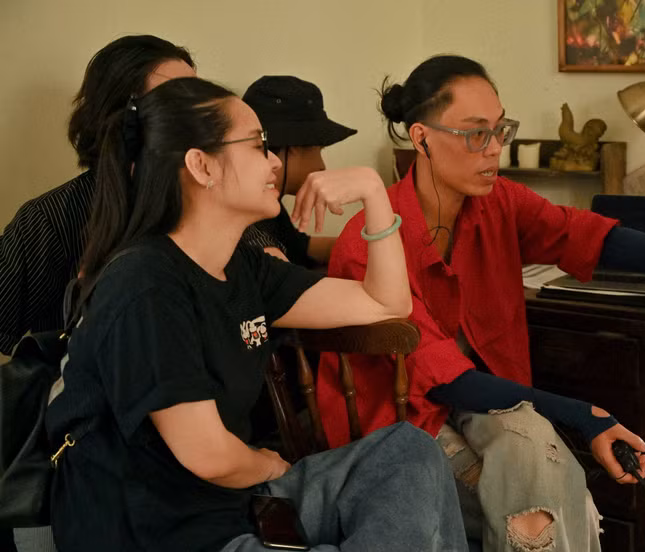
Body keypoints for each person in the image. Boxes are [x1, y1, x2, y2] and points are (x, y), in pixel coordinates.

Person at [45, 76, 467, 552]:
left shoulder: (243, 267)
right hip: (166, 531)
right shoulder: (145, 283)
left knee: (410, 450)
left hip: (238, 502)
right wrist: (268, 464)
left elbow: (388, 304)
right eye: (257, 144)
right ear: (202, 165)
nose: (274, 161)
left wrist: (374, 194)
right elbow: (208, 455)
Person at [318, 55, 645, 552]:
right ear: (421, 138)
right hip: (401, 428)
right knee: (553, 500)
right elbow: (445, 379)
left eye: (500, 129)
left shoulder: (498, 202)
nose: (495, 147)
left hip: (486, 404)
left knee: (533, 444)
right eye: (476, 133)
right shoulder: (367, 243)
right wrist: (585, 416)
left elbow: (578, 234)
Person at [0, 34, 196, 356]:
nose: (199, 121)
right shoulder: (50, 219)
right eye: (175, 104)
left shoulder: (207, 201)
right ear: (122, 118)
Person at [242, 76, 357, 267]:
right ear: (295, 147)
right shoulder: (250, 218)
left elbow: (299, 247)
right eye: (319, 150)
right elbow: (286, 277)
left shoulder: (269, 199)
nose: (322, 166)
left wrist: (368, 246)